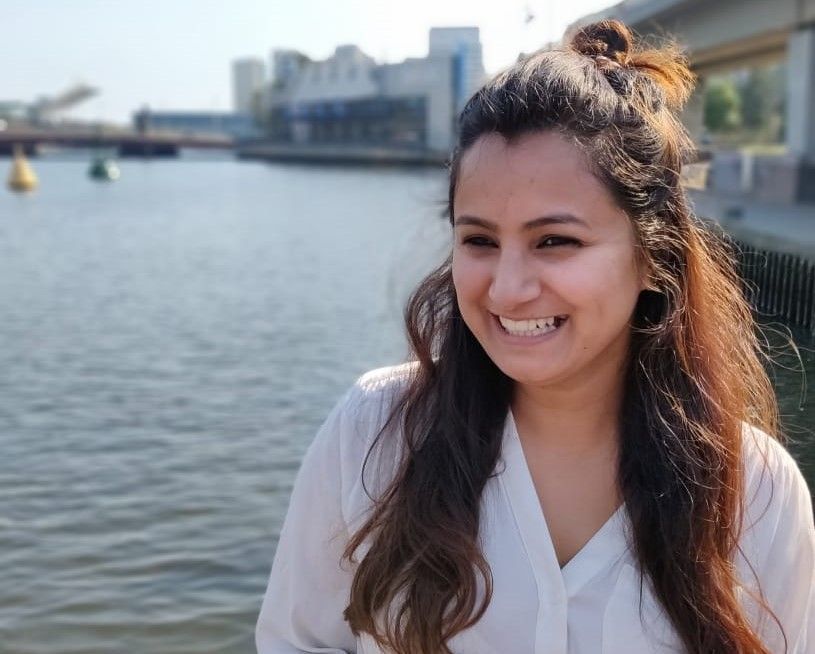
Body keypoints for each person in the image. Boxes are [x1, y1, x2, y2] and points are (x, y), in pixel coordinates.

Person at [256, 19, 815, 654]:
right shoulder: (375, 433)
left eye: (556, 241)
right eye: (480, 241)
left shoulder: (757, 490)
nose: (508, 288)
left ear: (651, 255)